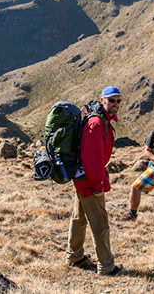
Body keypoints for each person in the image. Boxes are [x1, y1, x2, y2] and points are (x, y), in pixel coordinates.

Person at [66, 86, 123, 276]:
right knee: (100, 223)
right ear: (102, 100)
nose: (115, 104)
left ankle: (74, 256)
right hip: (89, 181)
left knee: (79, 218)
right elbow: (93, 160)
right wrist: (98, 185)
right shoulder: (96, 124)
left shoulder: (100, 121)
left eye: (118, 101)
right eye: (111, 100)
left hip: (81, 178)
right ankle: (106, 266)